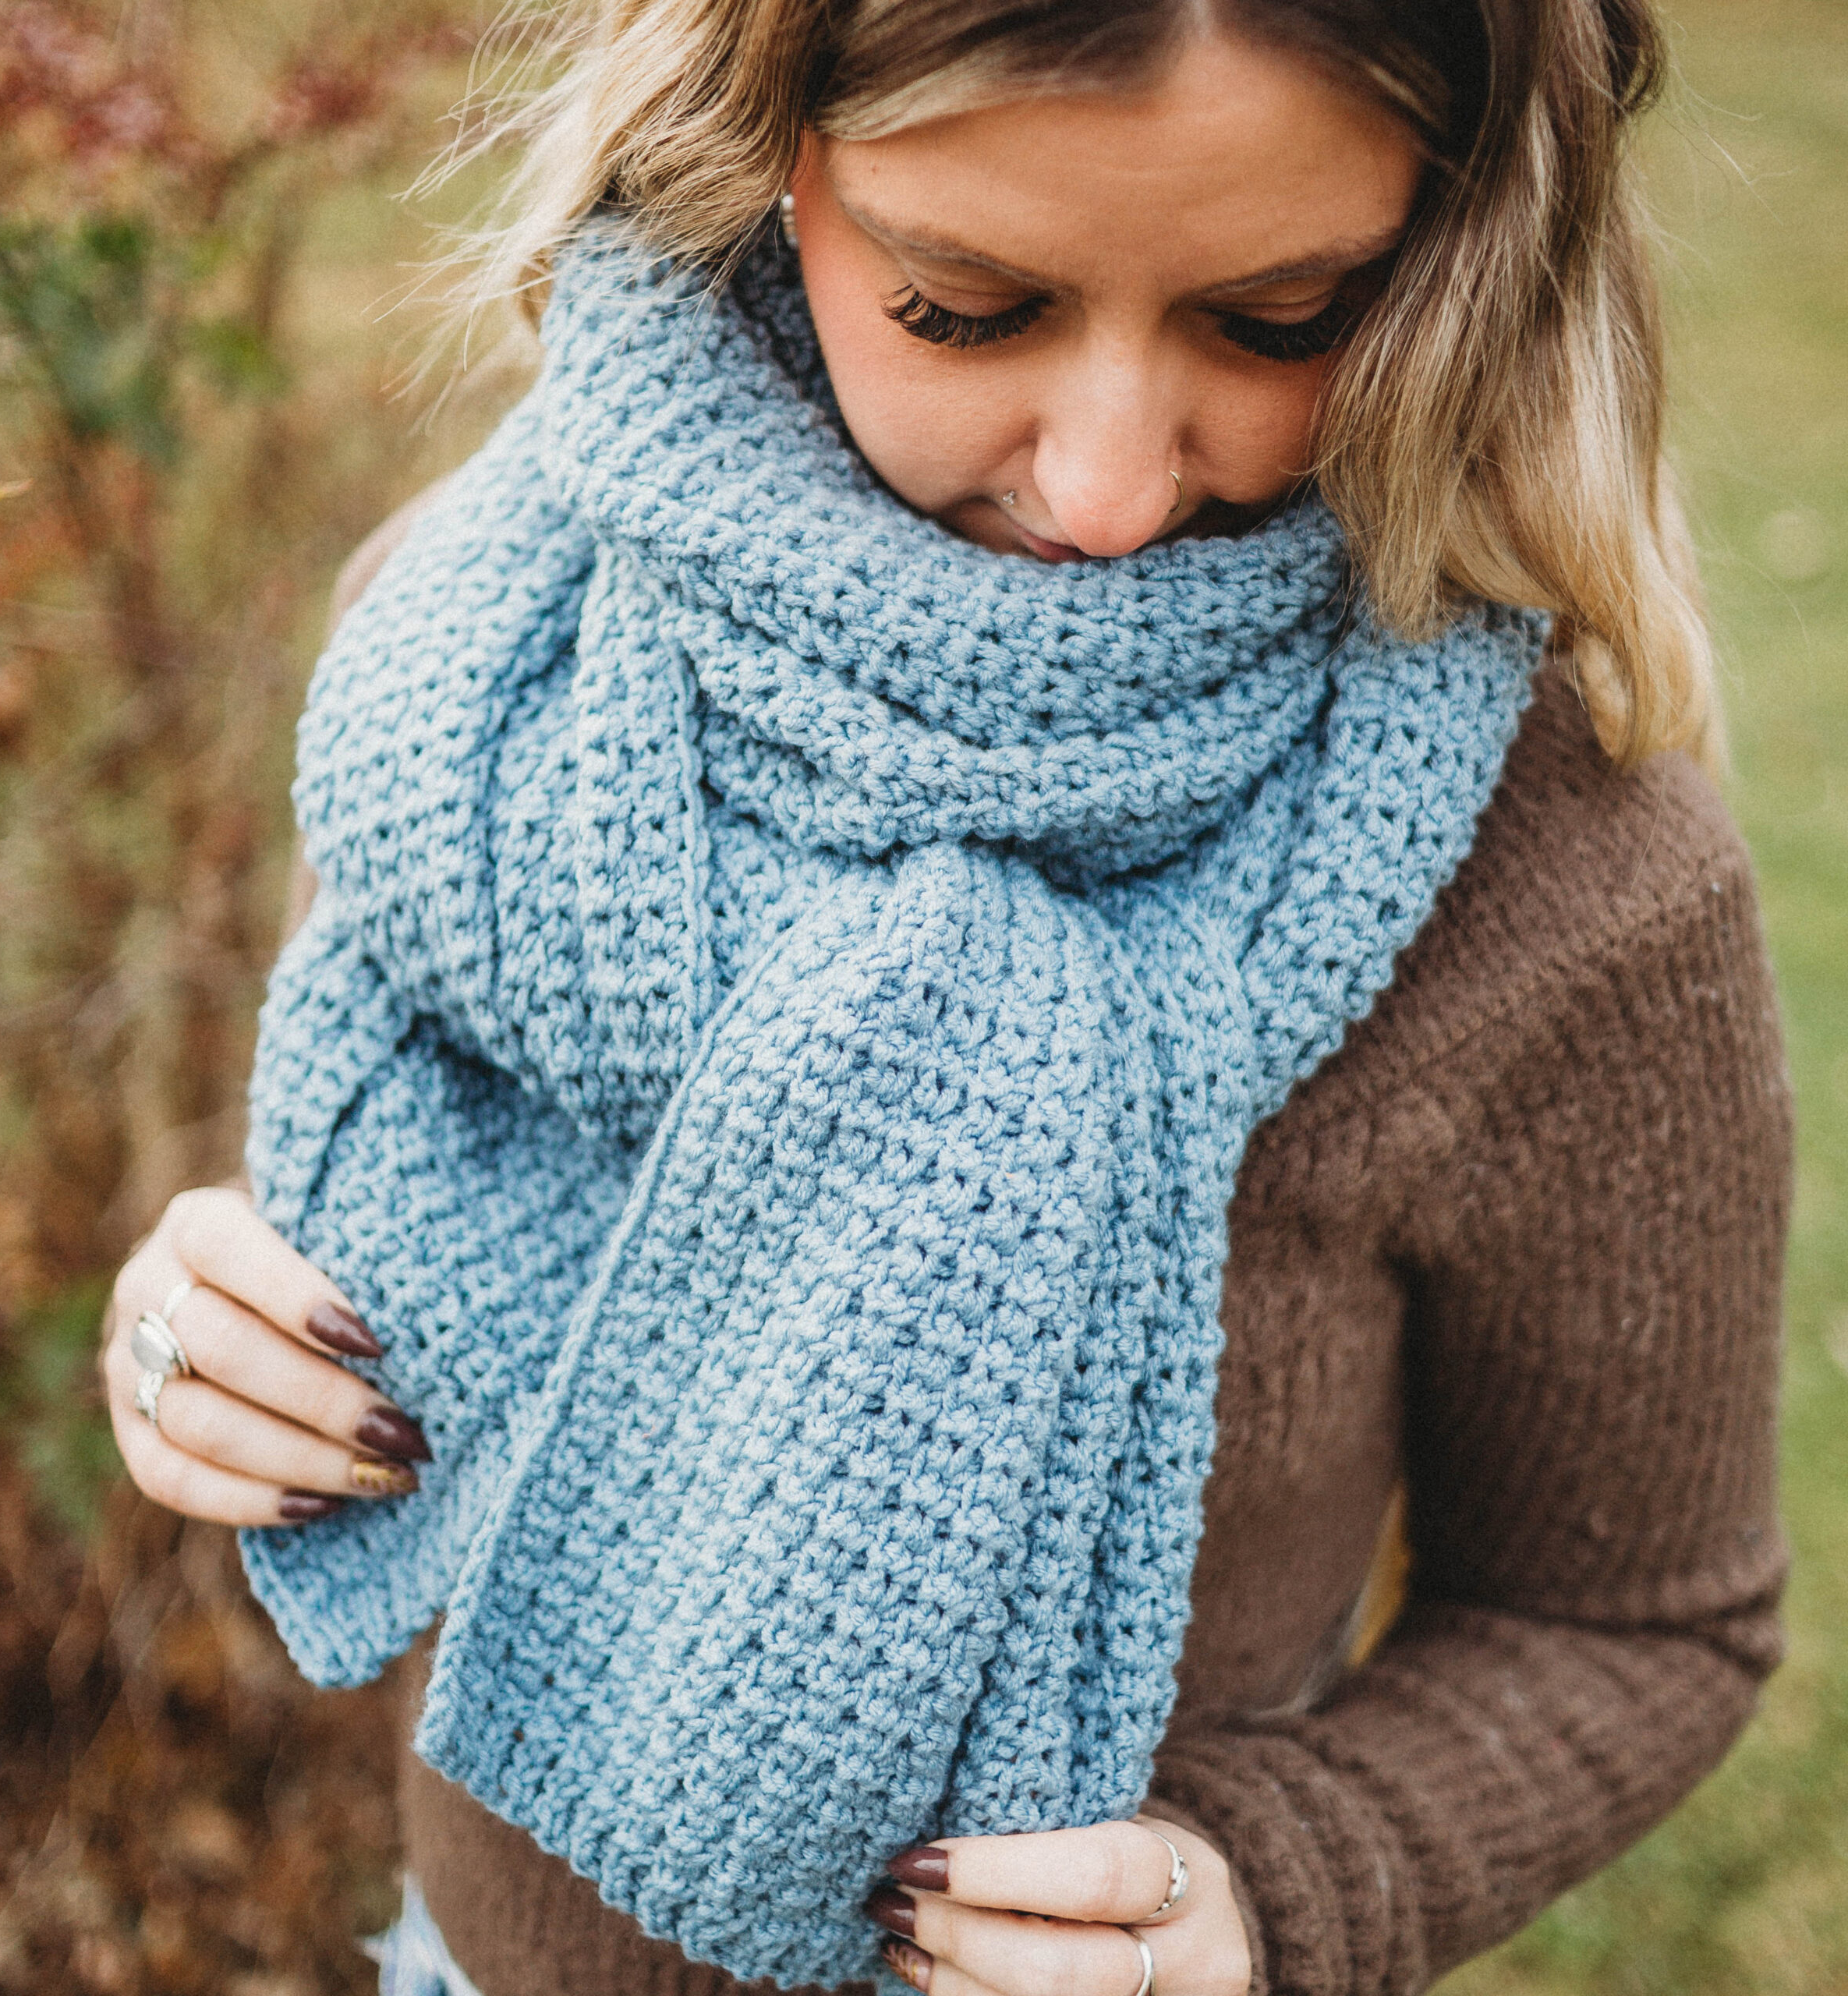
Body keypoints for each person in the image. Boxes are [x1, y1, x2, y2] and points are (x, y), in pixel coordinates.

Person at [100, 2, 1792, 1994]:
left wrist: (1281, 1887)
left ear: (1449, 244)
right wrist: (199, 1328)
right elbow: (387, 1247)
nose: (1103, 488)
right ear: (762, 160)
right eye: (967, 308)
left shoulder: (1558, 875)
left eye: (1277, 318)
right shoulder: (488, 668)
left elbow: (1638, 1617)